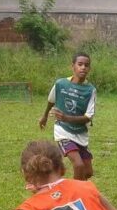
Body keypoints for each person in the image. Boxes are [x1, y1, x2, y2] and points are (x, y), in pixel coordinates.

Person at [39, 52, 96, 180]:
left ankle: (80, 190)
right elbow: (51, 100)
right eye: (80, 64)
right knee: (79, 165)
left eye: (86, 65)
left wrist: (66, 117)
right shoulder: (61, 84)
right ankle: (75, 196)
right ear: (73, 66)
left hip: (80, 133)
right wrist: (45, 116)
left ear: (89, 69)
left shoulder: (90, 90)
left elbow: (88, 117)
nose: (83, 68)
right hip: (63, 130)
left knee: (87, 172)